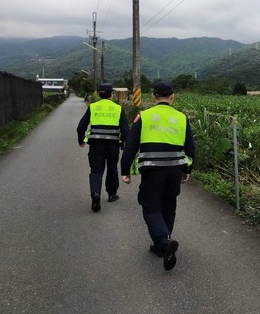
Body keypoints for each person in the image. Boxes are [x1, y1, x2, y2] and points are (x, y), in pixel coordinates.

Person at [120, 81, 195, 271]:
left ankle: (163, 241)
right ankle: (162, 244)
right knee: (169, 206)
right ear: (172, 97)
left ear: (153, 97)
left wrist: (125, 170)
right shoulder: (181, 117)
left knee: (151, 207)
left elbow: (131, 145)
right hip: (174, 171)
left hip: (153, 171)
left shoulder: (144, 116)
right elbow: (191, 148)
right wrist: (187, 170)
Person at [77, 83, 129, 212]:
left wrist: (80, 139)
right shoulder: (117, 108)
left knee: (96, 170)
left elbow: (81, 126)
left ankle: (95, 194)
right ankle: (112, 194)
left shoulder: (93, 107)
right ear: (112, 94)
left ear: (99, 94)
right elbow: (125, 130)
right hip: (113, 146)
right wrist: (125, 143)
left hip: (96, 145)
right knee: (112, 168)